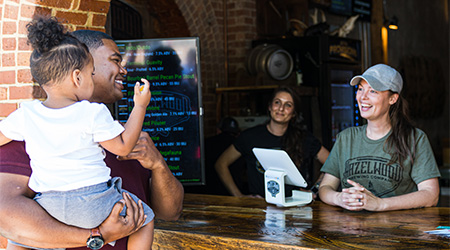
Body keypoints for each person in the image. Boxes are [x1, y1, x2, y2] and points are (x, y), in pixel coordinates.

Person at [0, 21, 183, 250]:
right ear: (81, 71)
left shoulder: (28, 117)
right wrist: (98, 235)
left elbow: (171, 213)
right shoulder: (24, 140)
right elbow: (6, 215)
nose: (124, 70)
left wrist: (157, 164)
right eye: (115, 60)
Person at [318, 64, 440, 211]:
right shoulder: (346, 138)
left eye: (373, 91)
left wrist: (380, 204)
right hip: (350, 229)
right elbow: (325, 187)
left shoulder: (415, 139)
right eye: (361, 89)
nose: (362, 97)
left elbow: (431, 194)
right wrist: (339, 199)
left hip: (398, 230)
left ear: (393, 99)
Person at [215, 86, 330, 198]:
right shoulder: (249, 137)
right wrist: (238, 197)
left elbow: (333, 164)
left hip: (295, 208)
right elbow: (221, 164)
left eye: (288, 105)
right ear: (270, 106)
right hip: (258, 209)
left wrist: (315, 189)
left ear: (294, 113)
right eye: (277, 102)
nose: (281, 108)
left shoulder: (304, 138)